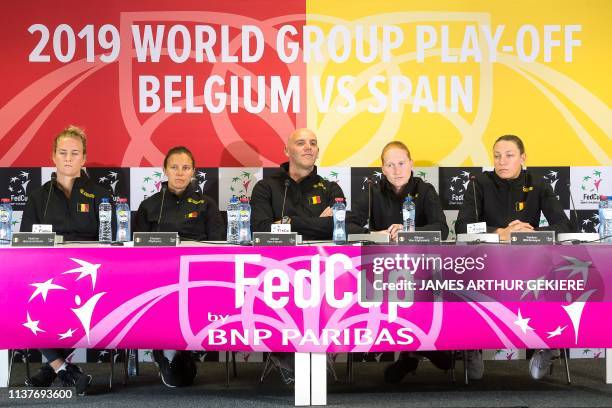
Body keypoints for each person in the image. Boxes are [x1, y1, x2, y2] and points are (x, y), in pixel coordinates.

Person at [346, 141, 481, 382]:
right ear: (382, 168)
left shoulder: (425, 189)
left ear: (411, 164)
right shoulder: (371, 191)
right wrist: (379, 234)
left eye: (401, 163)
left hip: (421, 267)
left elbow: (441, 228)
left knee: (425, 293)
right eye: (390, 165)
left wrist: (408, 232)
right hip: (382, 270)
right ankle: (422, 350)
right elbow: (350, 227)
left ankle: (412, 355)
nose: (397, 170)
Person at [455, 134, 572, 380]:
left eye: (509, 155)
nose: (502, 161)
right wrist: (500, 233)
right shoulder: (479, 184)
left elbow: (563, 224)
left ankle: (545, 347)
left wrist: (533, 233)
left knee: (558, 278)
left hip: (530, 264)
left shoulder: (538, 184)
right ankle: (472, 347)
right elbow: (462, 227)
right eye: (497, 156)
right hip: (486, 263)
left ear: (523, 158)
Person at [21, 125, 112, 395]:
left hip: (91, 274)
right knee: (24, 299)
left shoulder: (99, 194)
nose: (69, 158)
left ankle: (54, 368)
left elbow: (110, 239)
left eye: (75, 153)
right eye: (63, 153)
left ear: (84, 158)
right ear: (53, 156)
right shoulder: (38, 196)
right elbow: (25, 240)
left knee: (92, 304)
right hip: (48, 274)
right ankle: (64, 368)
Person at [250, 128, 345, 384]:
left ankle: (300, 363)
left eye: (313, 143)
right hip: (273, 274)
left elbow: (338, 228)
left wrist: (286, 221)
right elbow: (259, 228)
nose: (308, 147)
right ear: (287, 150)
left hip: (321, 276)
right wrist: (314, 221)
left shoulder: (331, 187)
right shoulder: (265, 187)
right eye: (301, 142)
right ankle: (292, 361)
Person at [134, 146, 224, 387]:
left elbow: (218, 244)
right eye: (174, 167)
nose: (179, 173)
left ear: (193, 171)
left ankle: (173, 352)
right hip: (157, 279)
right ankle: (170, 351)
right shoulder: (148, 205)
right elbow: (136, 249)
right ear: (164, 170)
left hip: (197, 277)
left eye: (185, 168)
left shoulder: (207, 204)